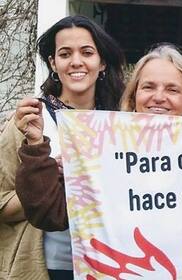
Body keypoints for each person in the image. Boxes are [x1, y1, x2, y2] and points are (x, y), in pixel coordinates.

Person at [13, 42, 182, 238]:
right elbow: (48, 216)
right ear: (133, 98)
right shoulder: (101, 149)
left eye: (172, 90)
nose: (158, 97)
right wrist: (36, 146)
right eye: (148, 87)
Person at [0, 15, 125, 280]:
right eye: (65, 54)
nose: (76, 62)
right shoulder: (29, 120)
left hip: (112, 266)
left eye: (87, 52)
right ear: (53, 64)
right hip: (48, 267)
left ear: (101, 62)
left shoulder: (123, 124)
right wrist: (47, 184)